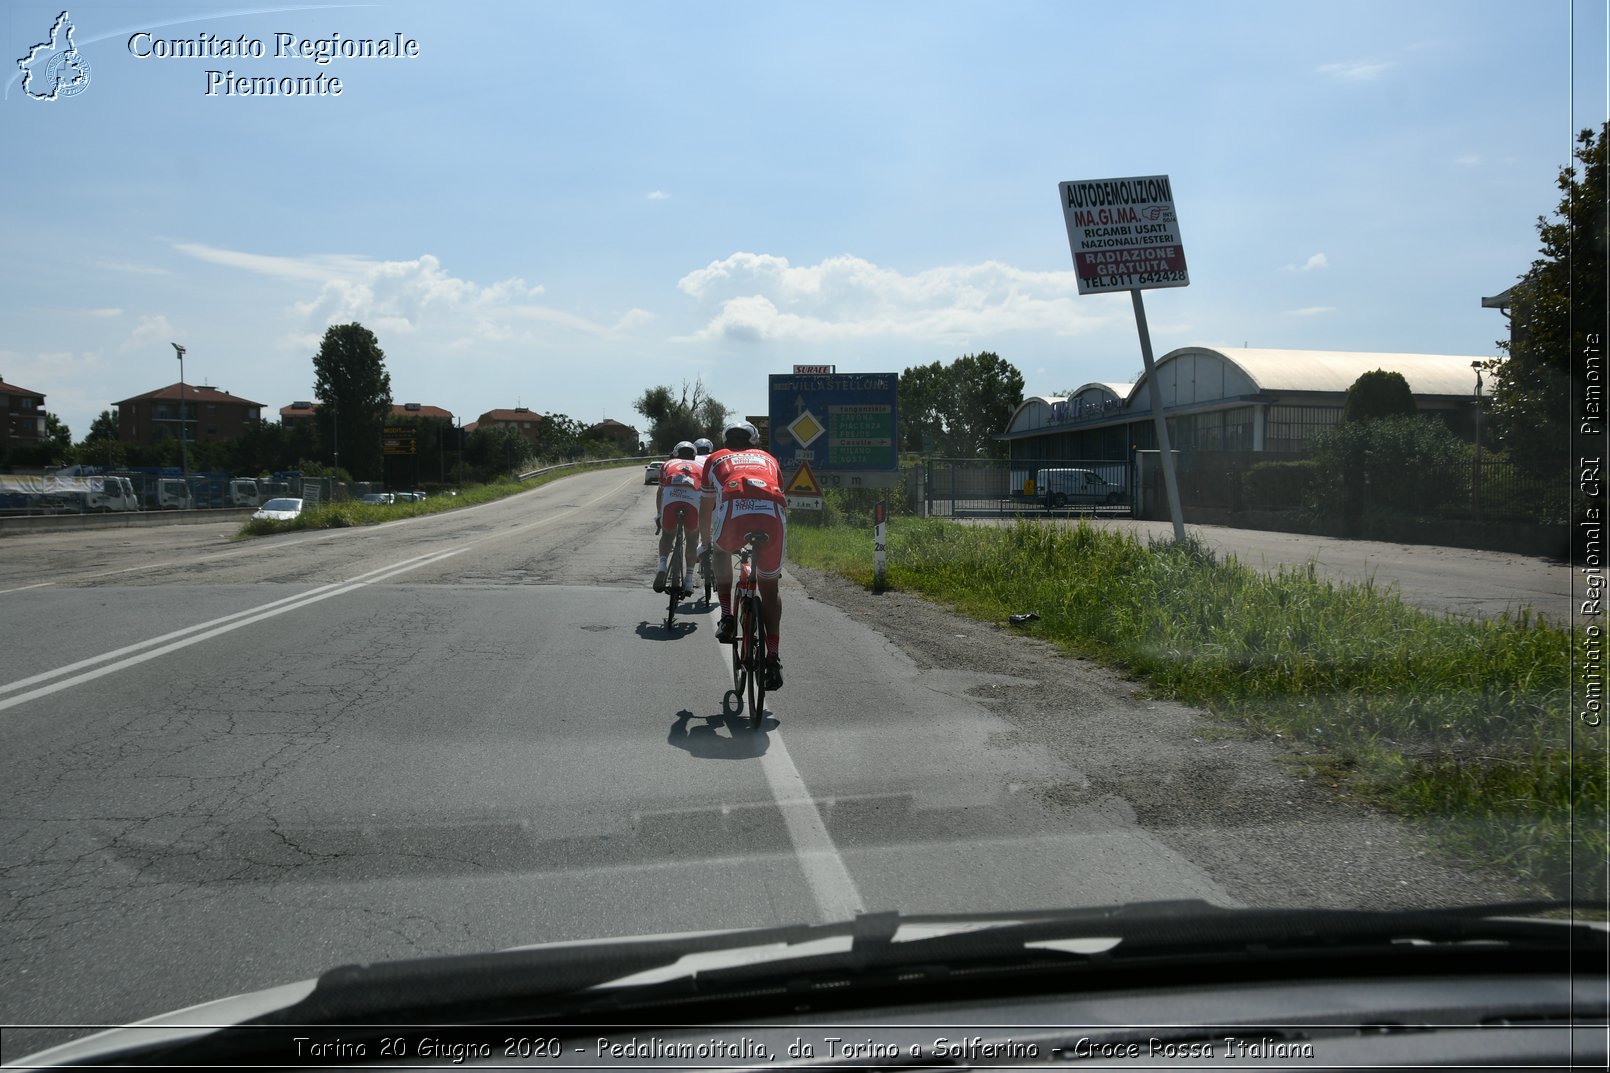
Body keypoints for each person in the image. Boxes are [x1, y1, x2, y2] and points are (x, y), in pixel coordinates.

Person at [700, 421, 785, 690]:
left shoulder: (715, 459)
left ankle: (726, 617)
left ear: (726, 442)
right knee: (770, 590)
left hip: (735, 514)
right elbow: (781, 493)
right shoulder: (769, 458)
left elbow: (706, 507)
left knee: (721, 551)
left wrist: (705, 542)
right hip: (772, 517)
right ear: (755, 442)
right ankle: (773, 657)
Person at [653, 441, 701, 596]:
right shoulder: (700, 466)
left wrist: (659, 515)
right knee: (693, 538)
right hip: (692, 498)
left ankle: (661, 567)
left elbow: (660, 492)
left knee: (667, 535)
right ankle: (688, 580)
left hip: (671, 497)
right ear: (694, 455)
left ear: (675, 454)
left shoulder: (668, 464)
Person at [691, 437, 716, 582]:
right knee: (716, 524)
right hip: (715, 495)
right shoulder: (715, 458)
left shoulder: (692, 459)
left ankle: (697, 552)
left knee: (696, 526)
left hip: (696, 495)